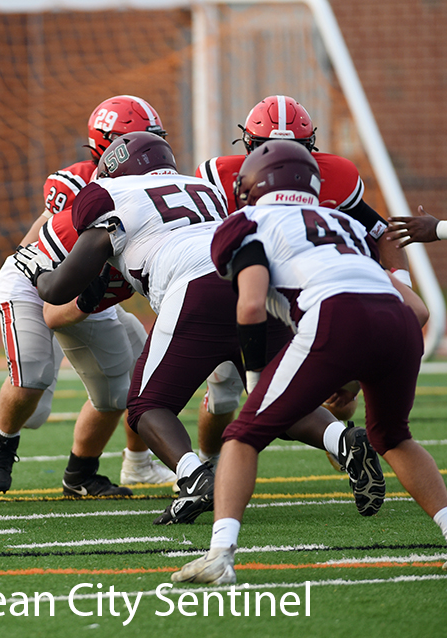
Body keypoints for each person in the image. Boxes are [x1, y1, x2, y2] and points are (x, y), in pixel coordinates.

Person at [31, 131, 384, 525]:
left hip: (193, 289)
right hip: (252, 280)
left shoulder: (109, 194)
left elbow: (63, 287)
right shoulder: (203, 187)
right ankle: (342, 440)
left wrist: (40, 275)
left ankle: (194, 476)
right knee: (271, 395)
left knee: (147, 407)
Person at [172, 141, 447, 584]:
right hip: (395, 322)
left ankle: (220, 555)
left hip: (334, 316)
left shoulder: (246, 221)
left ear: (254, 183)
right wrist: (355, 374)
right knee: (393, 437)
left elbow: (251, 306)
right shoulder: (343, 222)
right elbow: (415, 311)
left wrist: (258, 375)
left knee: (243, 435)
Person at [0, 95, 175, 496]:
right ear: (106, 145)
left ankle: (87, 473)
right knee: (32, 388)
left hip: (91, 294)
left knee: (119, 392)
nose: (146, 149)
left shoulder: (157, 188)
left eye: (151, 138)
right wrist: (26, 262)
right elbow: (50, 239)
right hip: (47, 284)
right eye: (135, 139)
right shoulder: (78, 183)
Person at [193, 95, 402, 447]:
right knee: (224, 393)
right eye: (266, 148)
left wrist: (399, 281)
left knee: (336, 397)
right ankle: (210, 467)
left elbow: (384, 233)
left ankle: (343, 447)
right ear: (248, 145)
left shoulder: (336, 176)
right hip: (247, 294)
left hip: (306, 297)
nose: (279, 159)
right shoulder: (219, 177)